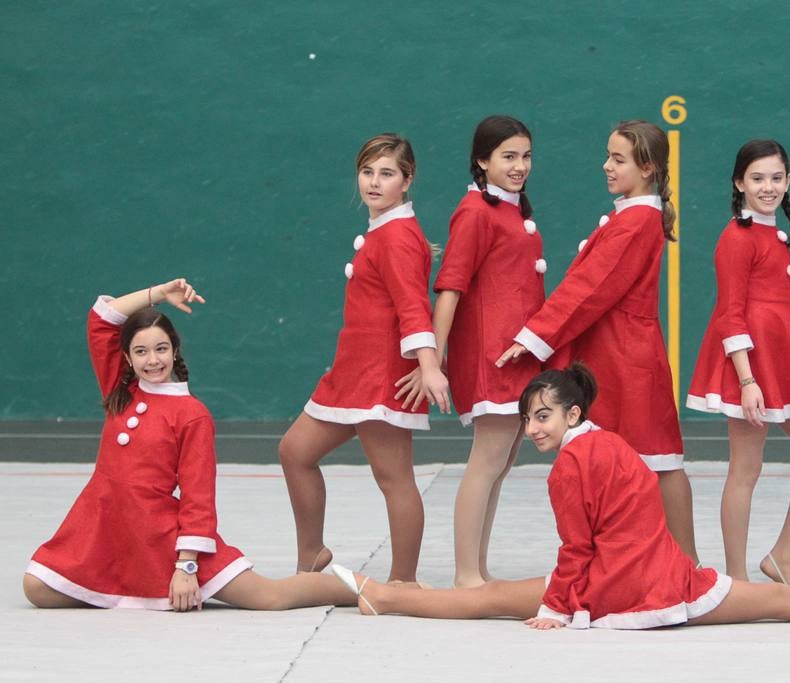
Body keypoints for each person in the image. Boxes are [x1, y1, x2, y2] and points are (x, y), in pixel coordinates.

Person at [329, 364, 790, 626]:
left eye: (543, 417)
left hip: (615, 585)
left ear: (572, 412)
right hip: (671, 578)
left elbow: (575, 549)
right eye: (528, 419)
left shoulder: (570, 465)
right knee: (786, 604)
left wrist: (555, 609)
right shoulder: (610, 443)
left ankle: (386, 596)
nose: (534, 429)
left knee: (485, 599)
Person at [23, 282, 357, 611]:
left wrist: (186, 566)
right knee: (37, 587)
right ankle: (121, 585)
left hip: (163, 538)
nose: (152, 360)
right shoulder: (119, 391)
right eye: (141, 351)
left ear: (175, 350)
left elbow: (198, 495)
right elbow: (101, 319)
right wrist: (157, 295)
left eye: (161, 349)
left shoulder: (192, 413)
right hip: (104, 533)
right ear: (126, 357)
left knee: (269, 597)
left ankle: (373, 592)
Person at [493, 120, 697, 561]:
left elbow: (588, 288)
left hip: (623, 357)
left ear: (646, 168)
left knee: (656, 461)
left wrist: (533, 338)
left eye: (617, 159)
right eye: (608, 156)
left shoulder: (636, 220)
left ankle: (683, 563)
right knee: (649, 459)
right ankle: (661, 560)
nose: (606, 166)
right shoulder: (635, 215)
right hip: (620, 352)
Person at [278, 133, 445, 583]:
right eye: (367, 171)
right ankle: (311, 554)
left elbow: (414, 307)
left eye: (387, 173)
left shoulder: (396, 236)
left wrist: (428, 366)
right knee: (295, 451)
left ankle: (403, 582)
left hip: (380, 382)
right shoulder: (388, 230)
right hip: (351, 377)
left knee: (394, 480)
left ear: (407, 181)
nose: (374, 182)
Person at [685, 139, 790, 587]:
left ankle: (781, 555)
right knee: (745, 470)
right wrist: (747, 379)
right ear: (739, 182)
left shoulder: (772, 234)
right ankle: (736, 580)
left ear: (788, 180)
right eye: (757, 178)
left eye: (776, 177)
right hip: (749, 367)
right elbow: (730, 313)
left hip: (780, 363)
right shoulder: (736, 237)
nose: (768, 186)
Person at [396, 115, 544, 586]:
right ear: (482, 160)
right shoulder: (476, 212)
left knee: (501, 464)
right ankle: (465, 575)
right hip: (491, 358)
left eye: (525, 156)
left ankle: (477, 569)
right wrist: (433, 360)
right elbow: (450, 289)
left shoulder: (512, 209)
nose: (519, 166)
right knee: (487, 461)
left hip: (518, 358)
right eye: (508, 156)